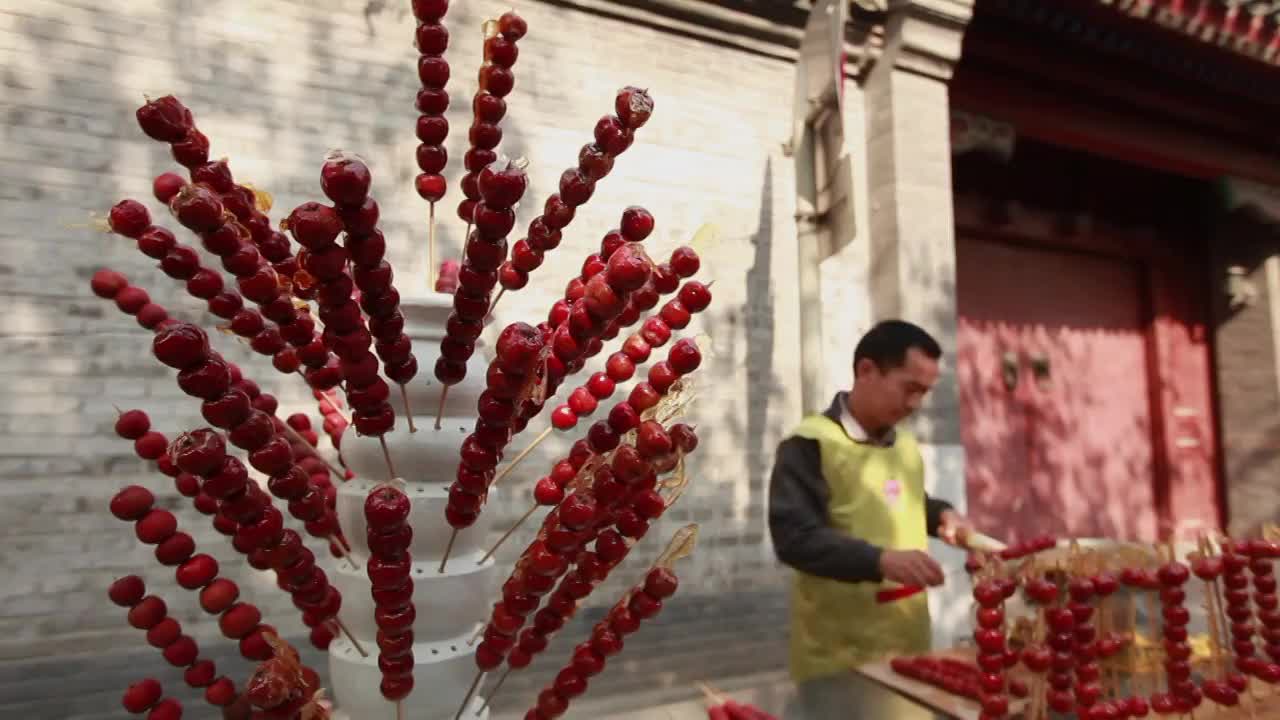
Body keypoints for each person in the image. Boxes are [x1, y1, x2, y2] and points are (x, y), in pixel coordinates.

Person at [768, 320, 973, 717]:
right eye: (909, 388)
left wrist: (943, 515)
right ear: (867, 370)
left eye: (925, 393)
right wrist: (880, 560)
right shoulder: (811, 443)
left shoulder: (905, 443)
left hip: (909, 643)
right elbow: (795, 537)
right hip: (840, 656)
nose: (915, 404)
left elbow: (907, 500)